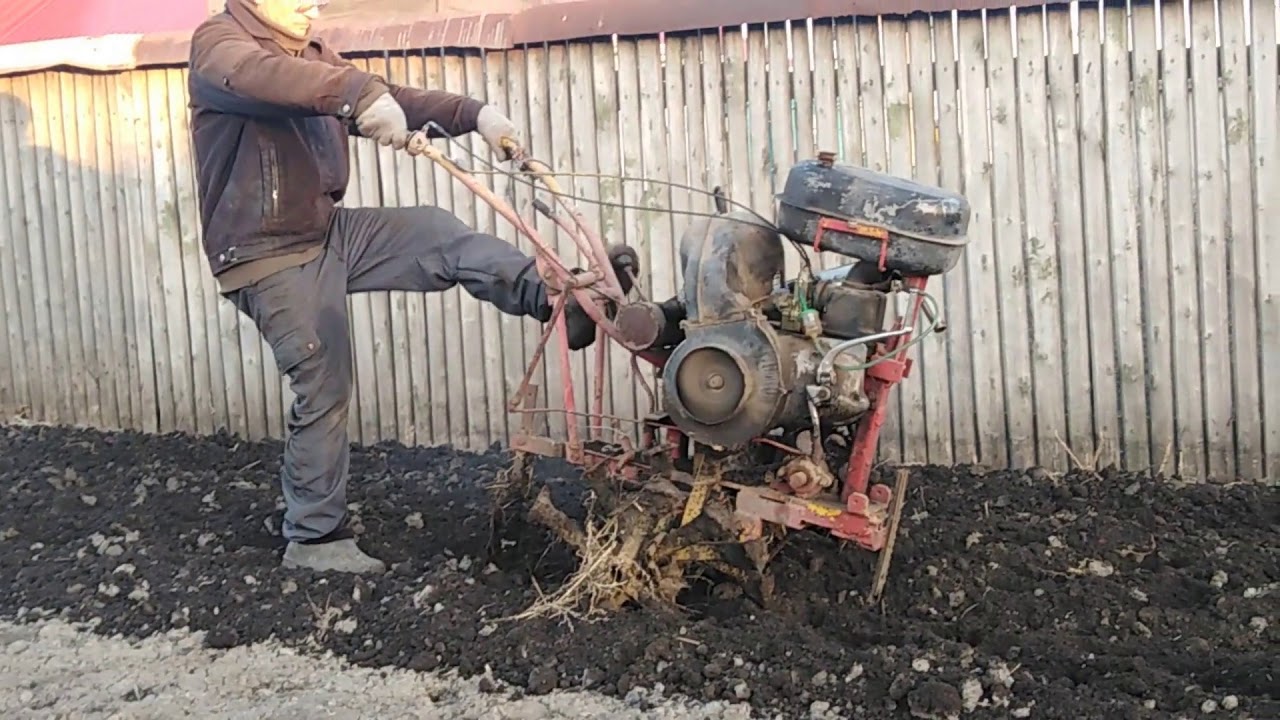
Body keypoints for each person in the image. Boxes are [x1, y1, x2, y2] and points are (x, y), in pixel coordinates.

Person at [187, 0, 638, 574]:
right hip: (263, 249)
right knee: (322, 377)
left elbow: (384, 94)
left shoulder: (310, 53)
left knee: (435, 233)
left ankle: (559, 302)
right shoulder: (221, 46)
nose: (313, 2)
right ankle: (314, 537)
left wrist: (474, 114)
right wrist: (354, 95)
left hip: (326, 231)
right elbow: (273, 79)